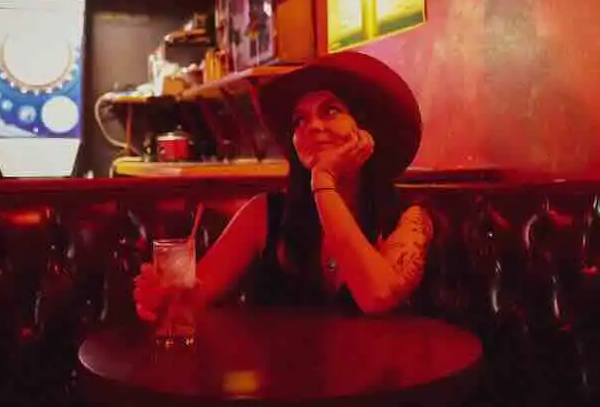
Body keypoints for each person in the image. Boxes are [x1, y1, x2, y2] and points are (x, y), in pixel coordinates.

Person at [134, 51, 433, 316]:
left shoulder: (409, 219)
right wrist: (166, 297)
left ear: (367, 131)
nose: (312, 126)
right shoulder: (264, 214)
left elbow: (377, 296)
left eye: (331, 111)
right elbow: (196, 295)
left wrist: (324, 182)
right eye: (299, 121)